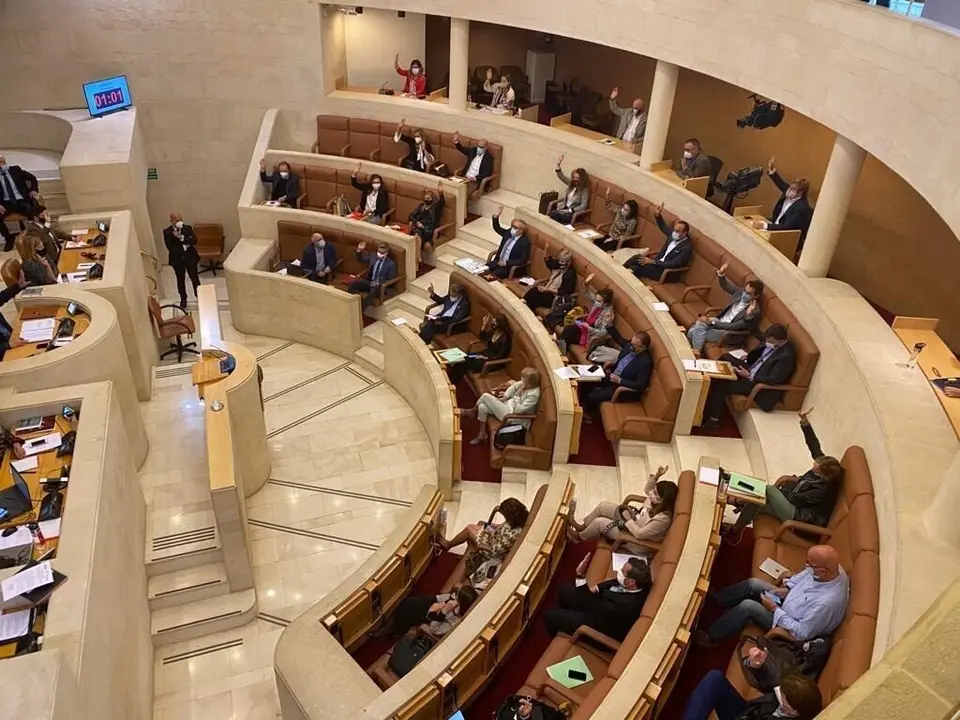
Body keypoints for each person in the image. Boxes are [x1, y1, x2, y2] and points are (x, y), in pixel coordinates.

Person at [694, 544, 849, 647]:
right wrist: (787, 589)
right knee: (753, 583)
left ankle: (712, 636)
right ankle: (720, 599)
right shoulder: (831, 569)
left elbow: (802, 632)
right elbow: (805, 576)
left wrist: (774, 609)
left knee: (748, 607)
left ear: (822, 570)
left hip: (787, 625)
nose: (806, 566)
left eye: (810, 564)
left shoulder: (826, 603)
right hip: (786, 602)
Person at [731, 407, 843, 531]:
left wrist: (776, 488)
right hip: (795, 504)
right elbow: (813, 445)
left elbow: (793, 498)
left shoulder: (821, 491)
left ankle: (738, 496)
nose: (813, 467)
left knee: (768, 490)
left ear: (822, 475)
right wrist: (804, 421)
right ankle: (734, 530)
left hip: (798, 517)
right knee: (756, 503)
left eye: (815, 468)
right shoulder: (825, 465)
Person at [700, 324, 797, 427]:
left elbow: (774, 379)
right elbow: (762, 355)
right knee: (726, 357)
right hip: (751, 369)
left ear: (781, 341)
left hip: (757, 384)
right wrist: (748, 358)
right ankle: (710, 378)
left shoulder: (786, 357)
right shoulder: (772, 341)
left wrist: (749, 376)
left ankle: (714, 419)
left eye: (772, 342)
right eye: (768, 340)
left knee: (720, 386)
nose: (768, 343)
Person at [568, 464, 678, 553]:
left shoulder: (662, 520)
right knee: (603, 506)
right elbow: (647, 489)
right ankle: (583, 527)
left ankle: (579, 537)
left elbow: (639, 534)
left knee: (599, 523)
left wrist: (628, 519)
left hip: (633, 539)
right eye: (654, 490)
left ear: (663, 500)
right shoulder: (655, 500)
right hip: (633, 520)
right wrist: (657, 476)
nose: (651, 493)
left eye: (655, 493)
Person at [544, 559, 652, 640]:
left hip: (600, 626)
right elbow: (613, 582)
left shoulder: (627, 605)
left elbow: (593, 605)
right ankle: (568, 614)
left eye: (622, 571)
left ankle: (560, 634)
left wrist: (580, 576)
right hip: (599, 606)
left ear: (631, 582)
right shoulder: (634, 584)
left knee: (551, 615)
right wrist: (596, 588)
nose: (619, 571)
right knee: (564, 589)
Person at [439, 498, 530, 587]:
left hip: (491, 550)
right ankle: (461, 551)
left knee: (468, 530)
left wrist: (489, 533)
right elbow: (504, 525)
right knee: (476, 525)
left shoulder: (513, 534)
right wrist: (494, 527)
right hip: (495, 536)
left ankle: (449, 545)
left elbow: (495, 550)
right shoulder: (518, 519)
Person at [683, 670, 823, 720]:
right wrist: (754, 663)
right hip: (747, 712)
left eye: (783, 695)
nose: (779, 692)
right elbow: (771, 679)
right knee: (715, 679)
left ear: (791, 710)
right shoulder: (789, 699)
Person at [686, 264, 764, 352]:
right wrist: (721, 274)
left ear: (756, 296)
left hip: (729, 333)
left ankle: (696, 352)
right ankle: (695, 351)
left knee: (693, 332)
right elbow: (726, 286)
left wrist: (712, 323)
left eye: (748, 294)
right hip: (720, 321)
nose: (744, 294)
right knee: (700, 322)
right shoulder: (740, 292)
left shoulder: (754, 311)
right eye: (745, 291)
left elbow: (734, 326)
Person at [578, 327, 652, 418]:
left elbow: (641, 385)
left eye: (634, 345)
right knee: (587, 379)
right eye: (631, 343)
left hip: (622, 387)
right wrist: (609, 326)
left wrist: (620, 380)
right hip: (612, 376)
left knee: (592, 396)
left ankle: (589, 414)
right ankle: (580, 404)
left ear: (643, 347)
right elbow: (620, 339)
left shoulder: (645, 362)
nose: (630, 346)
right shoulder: (629, 347)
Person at [463, 368, 541, 445]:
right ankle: (482, 434)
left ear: (529, 382)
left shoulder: (533, 395)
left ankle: (472, 411)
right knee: (482, 407)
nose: (521, 380)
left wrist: (517, 396)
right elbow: (513, 387)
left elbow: (518, 410)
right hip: (508, 406)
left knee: (485, 396)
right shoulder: (524, 384)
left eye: (523, 379)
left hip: (513, 417)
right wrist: (505, 397)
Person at [754, 157, 814, 251]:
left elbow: (787, 227)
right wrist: (772, 170)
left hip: (785, 237)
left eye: (793, 189)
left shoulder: (802, 208)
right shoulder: (789, 192)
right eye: (791, 187)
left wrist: (765, 226)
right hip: (775, 228)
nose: (789, 191)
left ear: (800, 193)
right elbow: (780, 183)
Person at [623, 203, 693, 282]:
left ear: (684, 233)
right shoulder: (673, 235)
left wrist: (652, 261)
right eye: (674, 229)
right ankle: (620, 270)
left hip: (665, 272)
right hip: (656, 264)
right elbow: (663, 227)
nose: (674, 232)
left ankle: (624, 277)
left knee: (636, 268)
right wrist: (658, 215)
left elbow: (673, 264)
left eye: (677, 231)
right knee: (636, 258)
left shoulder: (687, 248)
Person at [388, 585, 478, 638]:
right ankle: (393, 620)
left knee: (406, 612)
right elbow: (439, 598)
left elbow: (434, 629)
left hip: (432, 618)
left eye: (457, 596)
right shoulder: (455, 600)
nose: (454, 595)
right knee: (408, 603)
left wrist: (444, 611)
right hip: (434, 606)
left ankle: (396, 630)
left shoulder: (454, 622)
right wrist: (440, 603)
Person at [448, 313, 512, 383]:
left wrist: (486, 358)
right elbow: (482, 337)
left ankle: (453, 381)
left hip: (492, 361)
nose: (493, 325)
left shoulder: (505, 339)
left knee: (467, 364)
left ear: (500, 325)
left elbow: (501, 356)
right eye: (492, 323)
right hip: (484, 354)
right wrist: (484, 325)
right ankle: (449, 377)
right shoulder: (494, 331)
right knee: (463, 359)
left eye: (494, 324)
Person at [556, 276, 614, 350]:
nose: (596, 302)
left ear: (606, 303)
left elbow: (603, 333)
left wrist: (588, 328)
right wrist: (586, 284)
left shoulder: (608, 314)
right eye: (596, 299)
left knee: (569, 336)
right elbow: (588, 294)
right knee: (567, 329)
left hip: (592, 333)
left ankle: (560, 350)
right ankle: (560, 348)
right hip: (585, 325)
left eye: (599, 301)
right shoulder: (599, 302)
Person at [0, 155, 44, 251]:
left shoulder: (15, 170)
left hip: (21, 200)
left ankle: (35, 235)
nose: (2, 164)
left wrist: (33, 190)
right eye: (0, 162)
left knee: (31, 211)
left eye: (3, 161)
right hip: (6, 203)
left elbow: (32, 178)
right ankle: (8, 238)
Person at [163, 212, 201, 309]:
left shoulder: (187, 228)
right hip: (177, 259)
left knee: (194, 278)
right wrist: (185, 245)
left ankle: (199, 296)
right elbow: (170, 247)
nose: (179, 222)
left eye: (180, 219)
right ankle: (183, 298)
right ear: (171, 221)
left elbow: (194, 241)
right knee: (180, 279)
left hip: (190, 257)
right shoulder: (167, 232)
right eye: (177, 220)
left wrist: (182, 238)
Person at [522, 246, 576, 313]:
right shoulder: (557, 266)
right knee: (534, 291)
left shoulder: (570, 274)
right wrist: (546, 248)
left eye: (562, 261)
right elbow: (547, 259)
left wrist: (547, 289)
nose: (560, 263)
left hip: (554, 297)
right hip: (546, 291)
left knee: (535, 294)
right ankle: (523, 305)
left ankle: (525, 311)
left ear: (568, 263)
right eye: (559, 260)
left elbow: (563, 291)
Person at [348, 241, 397, 309]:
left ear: (386, 253)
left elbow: (390, 279)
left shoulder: (391, 264)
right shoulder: (373, 255)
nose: (379, 254)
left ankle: (359, 310)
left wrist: (378, 283)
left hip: (378, 286)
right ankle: (355, 302)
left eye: (382, 253)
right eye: (379, 251)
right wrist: (359, 249)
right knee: (352, 284)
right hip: (369, 282)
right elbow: (361, 260)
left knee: (372, 293)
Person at [488, 207, 531, 280]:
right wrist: (496, 216)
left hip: (509, 267)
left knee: (494, 275)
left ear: (521, 230)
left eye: (515, 227)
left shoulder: (524, 242)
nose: (512, 229)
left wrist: (506, 263)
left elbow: (522, 260)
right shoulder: (508, 233)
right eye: (512, 226)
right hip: (498, 262)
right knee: (484, 268)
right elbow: (497, 228)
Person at [549, 155, 589, 225]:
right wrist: (558, 165)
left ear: (582, 179)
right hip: (564, 209)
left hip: (573, 213)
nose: (575, 179)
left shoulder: (584, 190)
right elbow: (562, 177)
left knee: (554, 214)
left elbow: (583, 206)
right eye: (574, 177)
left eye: (577, 178)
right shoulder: (571, 183)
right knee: (553, 214)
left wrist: (570, 210)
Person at [408, 182, 445, 254]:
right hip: (420, 227)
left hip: (430, 229)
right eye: (425, 198)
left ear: (432, 199)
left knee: (417, 234)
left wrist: (440, 193)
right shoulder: (421, 206)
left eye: (428, 198)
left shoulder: (435, 208)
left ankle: (418, 256)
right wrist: (417, 222)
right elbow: (411, 215)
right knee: (417, 233)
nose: (426, 200)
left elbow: (442, 202)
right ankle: (418, 257)